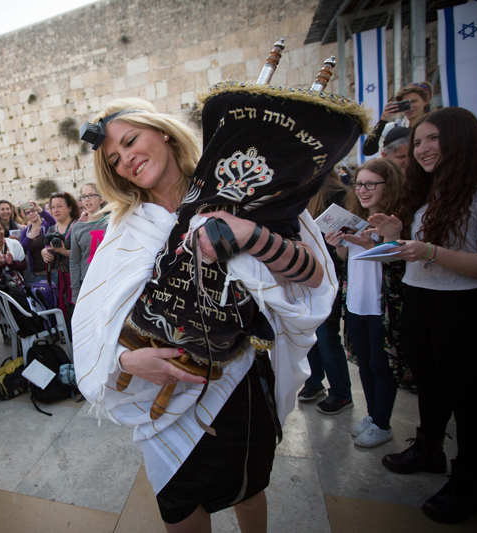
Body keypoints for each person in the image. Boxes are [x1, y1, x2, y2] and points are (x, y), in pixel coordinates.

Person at [73, 96, 339, 532]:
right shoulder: (127, 228)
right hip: (158, 394)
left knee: (248, 489)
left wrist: (249, 234)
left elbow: (312, 275)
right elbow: (92, 319)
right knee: (178, 506)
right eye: (115, 159)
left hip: (237, 383)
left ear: (161, 131)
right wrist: (125, 360)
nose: (127, 161)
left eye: (131, 140)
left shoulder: (241, 191)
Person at [368, 107, 477, 523]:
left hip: (468, 308)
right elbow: (420, 252)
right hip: (421, 299)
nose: (423, 149)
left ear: (460, 138)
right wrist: (395, 237)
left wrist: (430, 250)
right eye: (418, 142)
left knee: (468, 400)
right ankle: (428, 448)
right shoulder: (430, 189)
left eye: (432, 139)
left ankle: (468, 484)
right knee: (430, 385)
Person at [325, 159, 407, 447]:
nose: (363, 189)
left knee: (381, 365)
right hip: (356, 302)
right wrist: (338, 246)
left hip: (380, 307)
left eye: (371, 184)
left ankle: (382, 424)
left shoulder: (397, 221)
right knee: (365, 365)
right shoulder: (354, 218)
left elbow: (399, 264)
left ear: (390, 185)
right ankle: (373, 417)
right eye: (359, 183)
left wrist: (380, 240)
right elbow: (349, 262)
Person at [298, 174, 354, 415]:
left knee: (327, 335)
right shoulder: (302, 191)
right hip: (304, 273)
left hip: (329, 275)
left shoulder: (338, 195)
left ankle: (341, 393)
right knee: (309, 331)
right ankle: (314, 381)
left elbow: (345, 237)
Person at [362, 82, 432, 157]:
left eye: (414, 101)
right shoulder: (392, 128)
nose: (410, 106)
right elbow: (368, 150)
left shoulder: (434, 126)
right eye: (405, 103)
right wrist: (383, 120)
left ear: (425, 101)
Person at [41, 192, 79, 319]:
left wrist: (64, 252)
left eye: (59, 206)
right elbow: (47, 248)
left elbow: (84, 254)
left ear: (69, 208)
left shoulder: (78, 226)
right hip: (59, 278)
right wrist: (44, 252)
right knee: (64, 312)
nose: (55, 210)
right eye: (53, 207)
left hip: (76, 278)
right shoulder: (51, 229)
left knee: (77, 311)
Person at [70, 183, 109, 301]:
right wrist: (76, 292)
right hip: (87, 281)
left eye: (91, 195)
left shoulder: (112, 221)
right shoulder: (77, 227)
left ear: (101, 198)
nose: (87, 199)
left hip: (109, 278)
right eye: (83, 196)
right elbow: (75, 260)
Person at [19, 200, 56, 282]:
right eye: (27, 213)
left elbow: (53, 222)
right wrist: (28, 238)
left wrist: (39, 209)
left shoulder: (46, 225)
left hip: (53, 271)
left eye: (33, 211)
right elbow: (21, 251)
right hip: (37, 275)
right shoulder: (25, 232)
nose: (31, 214)